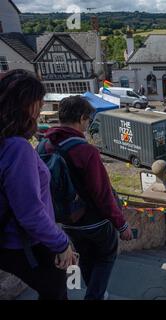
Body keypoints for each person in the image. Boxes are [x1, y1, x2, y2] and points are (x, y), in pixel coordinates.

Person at [42, 96, 133, 300]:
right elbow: (102, 194)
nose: (88, 124)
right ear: (82, 118)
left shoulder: (43, 146)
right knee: (106, 256)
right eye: (88, 119)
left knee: (85, 258)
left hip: (66, 222)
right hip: (94, 221)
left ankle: (95, 291)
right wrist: (122, 225)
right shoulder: (86, 151)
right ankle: (95, 295)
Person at [0, 69, 77, 300]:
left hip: (8, 239)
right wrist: (62, 243)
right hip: (24, 242)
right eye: (38, 102)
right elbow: (30, 212)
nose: (41, 108)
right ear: (25, 105)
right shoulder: (17, 148)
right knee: (56, 292)